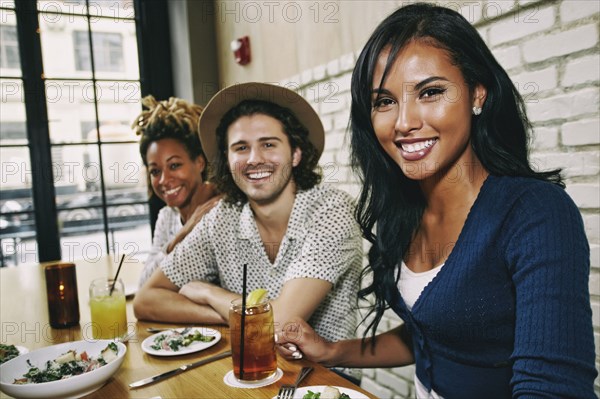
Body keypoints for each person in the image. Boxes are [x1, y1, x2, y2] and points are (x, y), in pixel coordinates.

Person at [275, 3, 597, 398]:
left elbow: (553, 388)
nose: (404, 122)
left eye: (430, 92)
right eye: (384, 101)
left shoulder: (535, 214)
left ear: (478, 93)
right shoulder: (403, 211)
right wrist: (332, 350)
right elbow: (430, 333)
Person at [133, 83, 363, 366]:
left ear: (295, 153)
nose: (254, 159)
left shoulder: (331, 211)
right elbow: (146, 300)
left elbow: (278, 322)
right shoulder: (222, 217)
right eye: (241, 148)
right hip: (251, 372)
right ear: (227, 160)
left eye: (268, 144)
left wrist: (208, 293)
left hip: (323, 383)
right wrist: (238, 316)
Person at [133, 96, 220, 287]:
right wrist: (182, 234)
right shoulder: (167, 217)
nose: (164, 180)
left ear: (199, 162)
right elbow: (144, 285)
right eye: (155, 171)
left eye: (174, 165)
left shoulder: (221, 208)